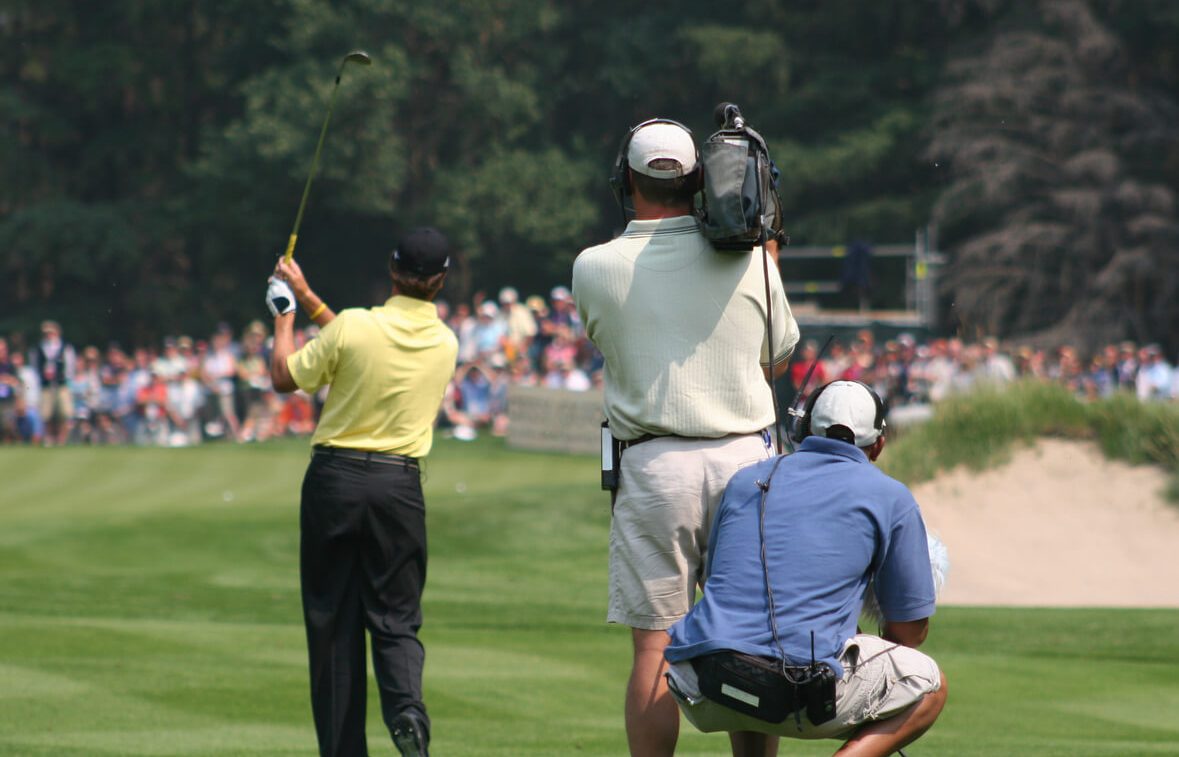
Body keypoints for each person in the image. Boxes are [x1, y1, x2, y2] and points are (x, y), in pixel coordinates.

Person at [572, 118, 800, 756]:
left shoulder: (593, 266)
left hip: (654, 464)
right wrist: (764, 253)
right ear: (700, 180)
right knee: (751, 643)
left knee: (656, 646)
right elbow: (777, 351)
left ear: (626, 181)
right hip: (748, 464)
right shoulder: (750, 258)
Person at [664, 380, 947, 757]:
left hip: (700, 683)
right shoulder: (892, 496)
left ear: (803, 429)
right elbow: (908, 632)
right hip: (794, 693)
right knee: (931, 686)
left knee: (750, 660)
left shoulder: (746, 479)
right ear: (878, 444)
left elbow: (723, 583)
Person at [266, 227, 458, 757]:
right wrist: (308, 296)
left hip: (336, 480)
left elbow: (286, 375)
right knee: (396, 619)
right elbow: (357, 344)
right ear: (439, 282)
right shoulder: (446, 342)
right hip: (398, 487)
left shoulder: (355, 326)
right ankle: (407, 713)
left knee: (333, 624)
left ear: (392, 272)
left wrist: (284, 313)